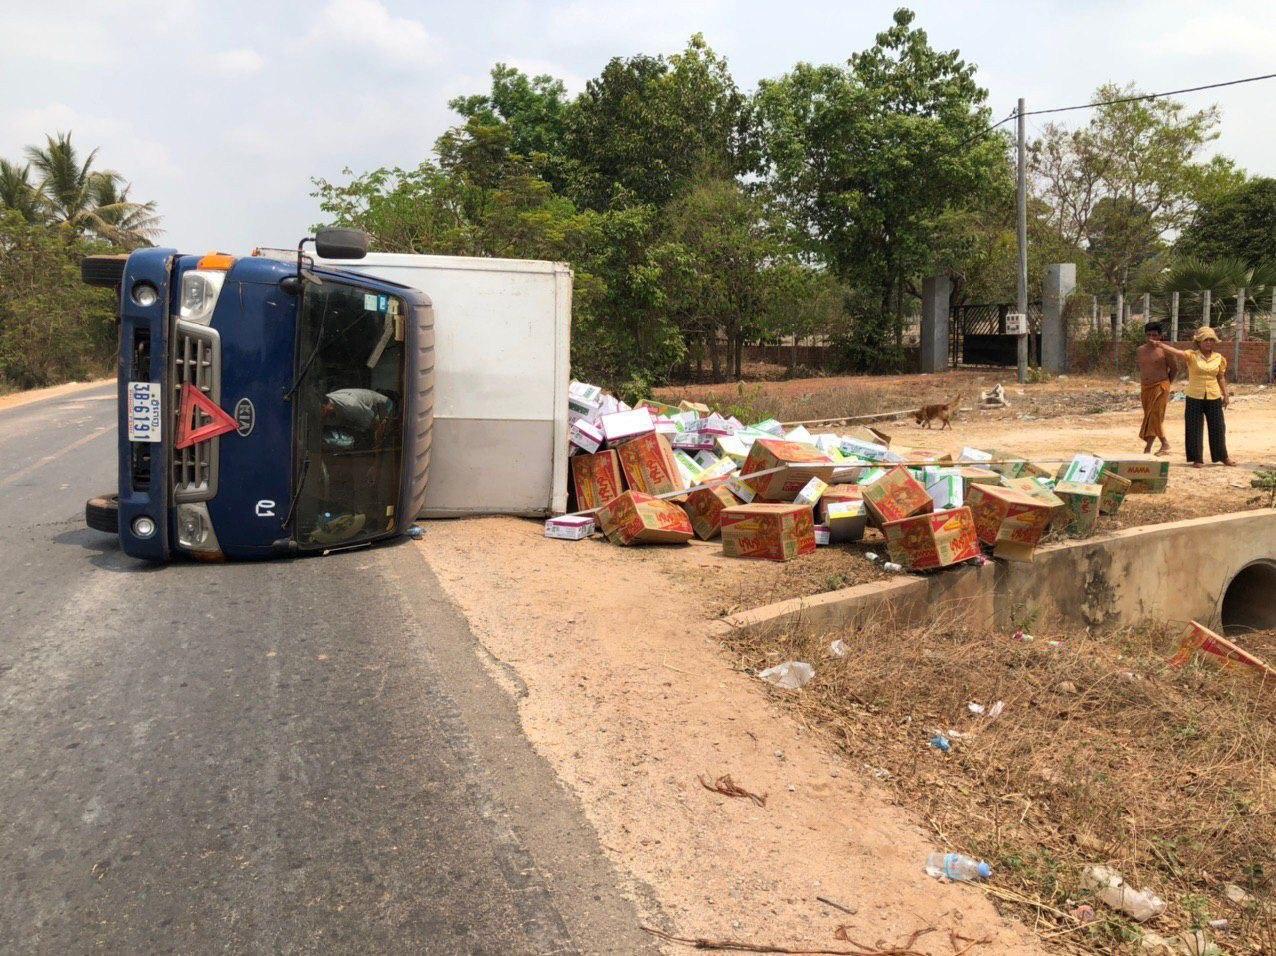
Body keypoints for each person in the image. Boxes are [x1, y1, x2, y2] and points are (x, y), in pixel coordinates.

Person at [1152, 327, 1236, 468]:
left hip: (1214, 396)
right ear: (1199, 342)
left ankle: (1223, 457)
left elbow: (1220, 377)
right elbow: (1176, 352)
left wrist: (1225, 395)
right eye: (1205, 340)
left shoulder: (1219, 358)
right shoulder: (1192, 355)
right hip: (1194, 396)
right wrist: (1160, 344)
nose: (1209, 343)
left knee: (1218, 427)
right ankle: (1197, 458)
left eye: (1211, 340)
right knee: (1194, 428)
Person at [1135, 322, 1173, 456]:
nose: (1152, 338)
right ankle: (1148, 448)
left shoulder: (1165, 350)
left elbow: (1174, 368)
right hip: (1146, 388)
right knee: (1150, 416)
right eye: (1149, 335)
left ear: (1160, 336)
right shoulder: (1140, 350)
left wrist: (1167, 384)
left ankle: (1165, 443)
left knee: (1156, 415)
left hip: (1161, 386)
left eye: (1155, 335)